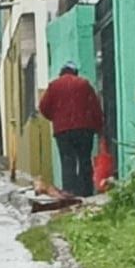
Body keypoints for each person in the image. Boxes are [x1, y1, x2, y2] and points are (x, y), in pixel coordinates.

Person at [38, 61, 105, 197]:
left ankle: (70, 191)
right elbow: (95, 107)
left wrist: (56, 118)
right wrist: (99, 127)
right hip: (84, 130)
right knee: (85, 159)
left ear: (62, 72)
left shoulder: (54, 86)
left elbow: (43, 107)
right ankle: (86, 192)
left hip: (63, 131)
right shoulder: (84, 84)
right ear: (75, 72)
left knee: (67, 161)